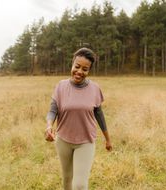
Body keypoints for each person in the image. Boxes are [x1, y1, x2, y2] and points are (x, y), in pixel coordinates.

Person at [45, 47, 112, 190]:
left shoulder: (94, 88)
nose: (80, 71)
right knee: (67, 179)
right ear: (72, 64)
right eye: (77, 66)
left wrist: (107, 139)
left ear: (89, 71)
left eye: (85, 69)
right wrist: (49, 126)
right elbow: (52, 111)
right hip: (63, 141)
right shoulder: (61, 86)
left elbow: (99, 115)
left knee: (80, 185)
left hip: (86, 142)